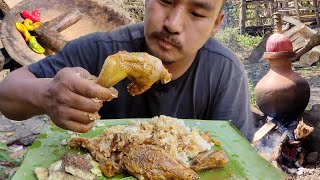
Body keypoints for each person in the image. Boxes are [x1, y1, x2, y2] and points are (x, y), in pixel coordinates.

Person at [0, 0, 254, 139]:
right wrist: (46, 95)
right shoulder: (98, 50)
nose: (173, 24)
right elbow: (6, 94)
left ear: (216, 25)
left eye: (198, 13)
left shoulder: (224, 72)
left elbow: (234, 154)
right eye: (165, 1)